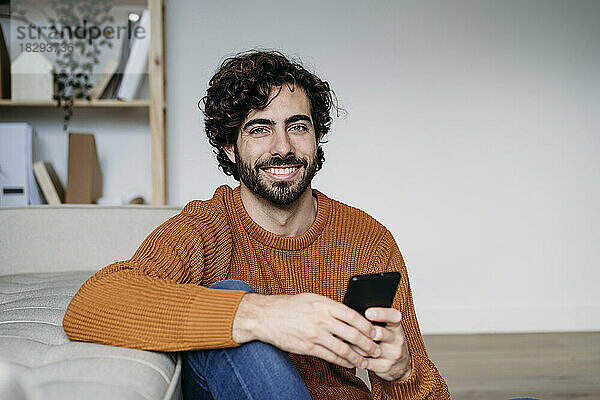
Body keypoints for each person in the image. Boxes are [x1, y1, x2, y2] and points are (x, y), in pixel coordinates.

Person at [63, 50, 450, 399]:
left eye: (298, 126)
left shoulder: (367, 240)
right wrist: (261, 316)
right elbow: (92, 303)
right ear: (230, 148)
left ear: (317, 139)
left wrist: (403, 371)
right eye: (260, 129)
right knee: (229, 294)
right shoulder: (207, 227)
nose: (282, 147)